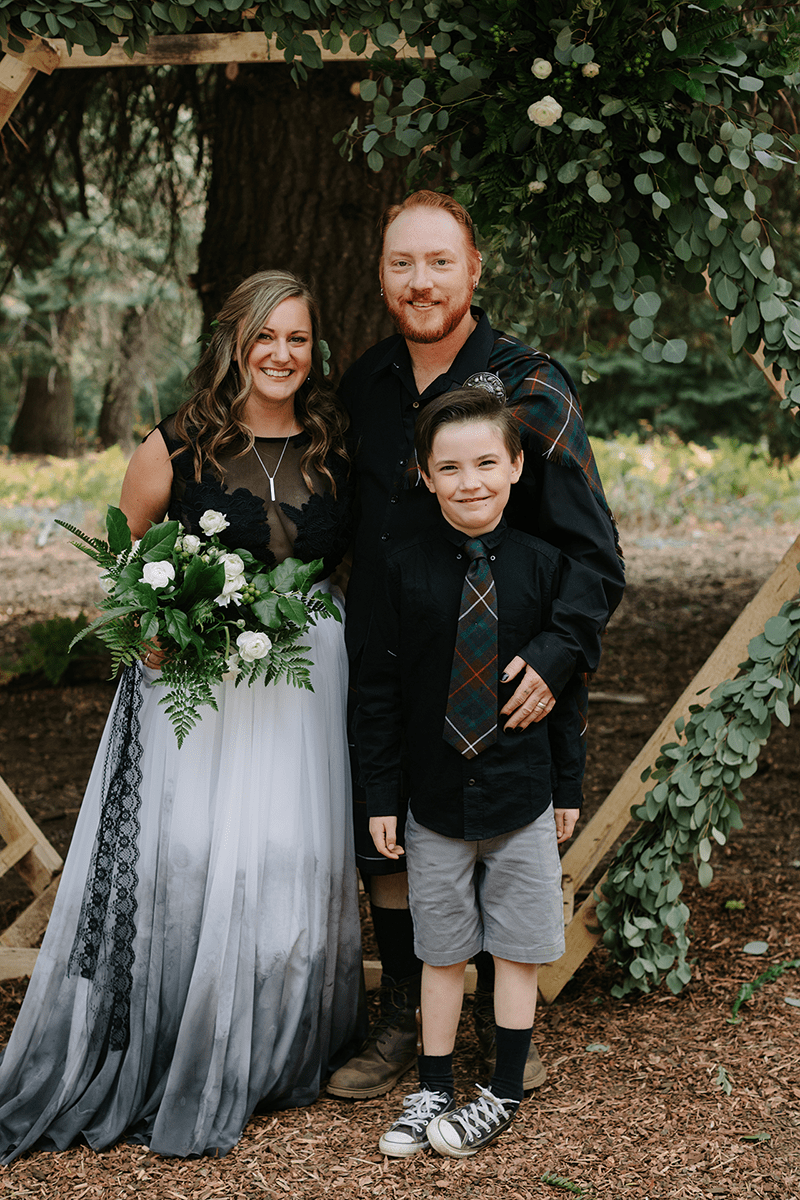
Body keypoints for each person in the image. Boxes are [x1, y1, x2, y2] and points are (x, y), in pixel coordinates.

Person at [0, 270, 363, 1161]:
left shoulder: (331, 447)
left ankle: (273, 1047)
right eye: (266, 337)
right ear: (234, 344)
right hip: (196, 691)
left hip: (302, 684)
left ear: (315, 351)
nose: (283, 355)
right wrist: (150, 632)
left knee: (293, 856)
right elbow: (122, 563)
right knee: (191, 856)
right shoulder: (179, 444)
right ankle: (175, 1042)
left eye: (300, 339)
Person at [326, 190, 625, 1101]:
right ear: (382, 275)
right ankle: (404, 1017)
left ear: (474, 270)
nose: (421, 283)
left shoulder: (530, 385)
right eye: (402, 264)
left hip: (506, 671)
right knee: (389, 834)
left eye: (439, 263)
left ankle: (504, 1027)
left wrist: (560, 652)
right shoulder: (366, 388)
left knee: (500, 834)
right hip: (397, 658)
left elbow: (595, 554)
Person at [359, 388, 582, 1157]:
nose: (471, 480)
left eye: (488, 462)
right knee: (441, 950)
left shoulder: (547, 570)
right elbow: (378, 697)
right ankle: (433, 1089)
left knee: (517, 949)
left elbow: (567, 697)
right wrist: (381, 796)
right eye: (449, 467)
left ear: (516, 466)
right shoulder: (397, 571)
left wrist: (570, 789)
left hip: (522, 798)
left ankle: (504, 1092)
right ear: (425, 475)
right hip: (434, 803)